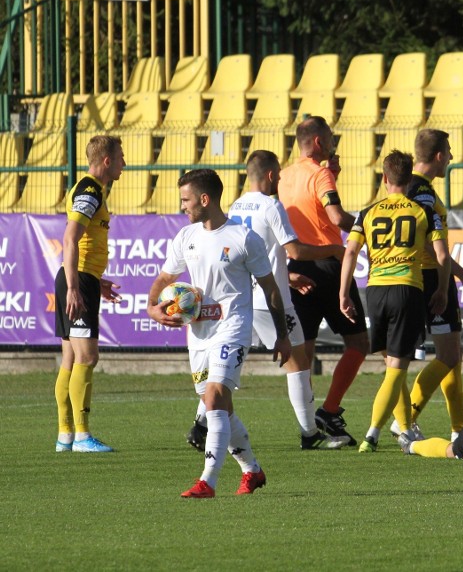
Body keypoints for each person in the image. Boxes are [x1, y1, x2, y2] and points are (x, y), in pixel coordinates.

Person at [185, 150, 349, 451]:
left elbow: (252, 254)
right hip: (273, 301)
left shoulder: (236, 205)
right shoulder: (272, 205)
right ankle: (309, 433)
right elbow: (295, 250)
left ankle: (201, 424)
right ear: (272, 176)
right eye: (279, 176)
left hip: (245, 299)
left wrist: (286, 276)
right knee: (298, 364)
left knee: (226, 367)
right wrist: (334, 251)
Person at [148, 169, 290, 498]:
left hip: (233, 326)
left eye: (186, 199)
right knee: (220, 408)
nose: (182, 206)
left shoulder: (244, 238)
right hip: (198, 332)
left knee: (214, 396)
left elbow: (270, 290)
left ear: (205, 199)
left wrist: (282, 335)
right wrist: (152, 306)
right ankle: (252, 471)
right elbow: (164, 278)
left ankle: (207, 482)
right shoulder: (186, 237)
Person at [338, 150, 450, 452]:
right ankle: (372, 434)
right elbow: (441, 255)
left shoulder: (367, 213)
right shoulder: (423, 212)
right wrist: (441, 289)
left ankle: (405, 430)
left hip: (374, 291)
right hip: (407, 289)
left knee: (390, 363)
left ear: (385, 178)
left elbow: (349, 252)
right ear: (409, 177)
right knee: (397, 368)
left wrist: (344, 292)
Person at [278, 116, 369, 446]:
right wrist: (369, 222)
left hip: (297, 270)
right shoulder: (320, 174)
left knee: (304, 354)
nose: (333, 142)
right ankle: (329, 411)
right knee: (359, 343)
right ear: (318, 142)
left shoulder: (284, 176)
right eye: (329, 137)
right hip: (329, 267)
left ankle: (309, 431)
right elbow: (336, 218)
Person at [389, 128, 463, 442]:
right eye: (450, 152)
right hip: (431, 278)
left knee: (450, 353)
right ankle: (407, 417)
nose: (453, 158)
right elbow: (433, 246)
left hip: (411, 276)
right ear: (440, 156)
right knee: (447, 354)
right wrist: (461, 276)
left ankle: (459, 427)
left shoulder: (409, 186)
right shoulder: (425, 192)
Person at [54, 135, 124, 453]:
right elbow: (70, 239)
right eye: (121, 157)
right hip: (77, 280)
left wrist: (97, 279)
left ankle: (65, 435)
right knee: (87, 356)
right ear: (107, 161)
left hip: (84, 278)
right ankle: (82, 435)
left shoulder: (90, 189)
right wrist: (74, 286)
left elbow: (82, 243)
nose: (125, 162)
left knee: (70, 358)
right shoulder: (91, 189)